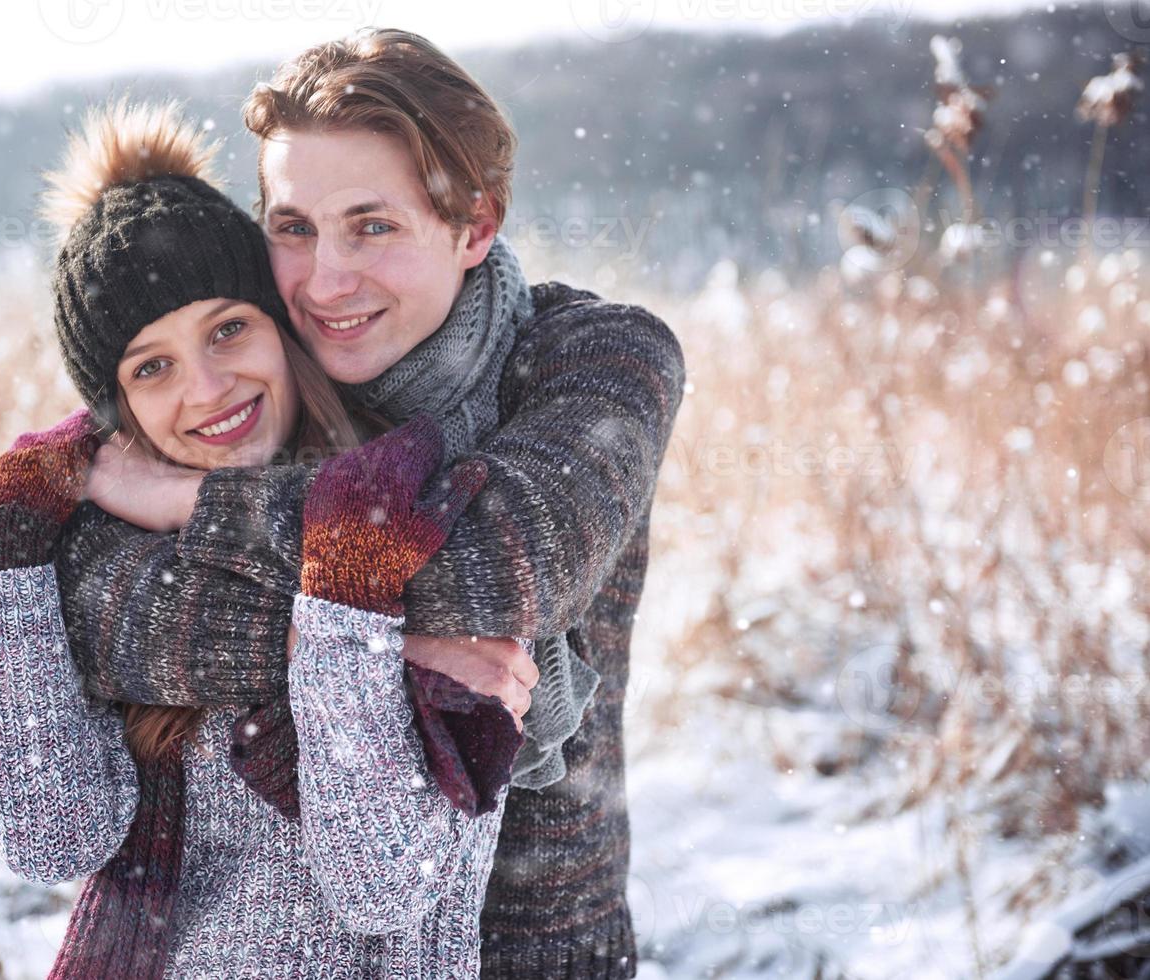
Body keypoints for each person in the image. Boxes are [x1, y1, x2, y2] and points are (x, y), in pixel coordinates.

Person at [47, 29, 688, 978]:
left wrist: (195, 504)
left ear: (475, 224)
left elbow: (504, 567)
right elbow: (101, 611)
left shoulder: (595, 359)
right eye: (293, 227)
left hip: (529, 945)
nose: (325, 279)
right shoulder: (247, 384)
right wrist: (402, 652)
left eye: (373, 225)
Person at [0, 100, 533, 977]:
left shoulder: (412, 509)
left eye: (229, 328)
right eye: (151, 367)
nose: (208, 387)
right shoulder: (112, 562)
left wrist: (340, 600)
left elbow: (382, 884)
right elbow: (51, 836)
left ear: (282, 325)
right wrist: (3, 555)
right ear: (116, 413)